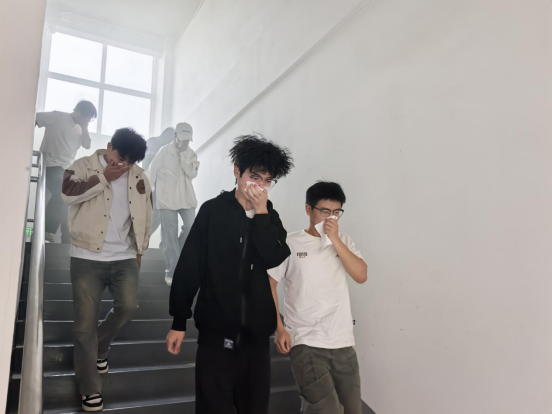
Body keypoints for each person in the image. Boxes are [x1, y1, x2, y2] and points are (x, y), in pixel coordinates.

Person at [166, 135, 294, 414]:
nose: (260, 186)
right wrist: (179, 321)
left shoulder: (270, 218)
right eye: (254, 177)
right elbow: (190, 266)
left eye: (267, 181)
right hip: (216, 337)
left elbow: (274, 258)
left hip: (256, 342)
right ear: (237, 171)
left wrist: (261, 213)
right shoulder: (213, 211)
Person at [62, 128, 152, 412]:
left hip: (124, 257)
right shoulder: (83, 165)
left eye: (130, 162)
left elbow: (147, 213)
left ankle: (100, 348)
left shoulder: (139, 176)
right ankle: (90, 389)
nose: (123, 165)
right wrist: (103, 178)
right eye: (120, 158)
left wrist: (140, 249)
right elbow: (67, 194)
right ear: (109, 146)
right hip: (86, 256)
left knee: (128, 307)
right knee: (84, 325)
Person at [267, 182, 368, 414]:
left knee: (353, 410)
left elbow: (361, 275)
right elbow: (269, 284)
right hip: (306, 341)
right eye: (324, 211)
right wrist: (279, 327)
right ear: (308, 210)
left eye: (336, 212)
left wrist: (335, 240)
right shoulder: (290, 242)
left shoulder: (344, 241)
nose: (330, 218)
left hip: (343, 342)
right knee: (325, 409)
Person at [36, 100, 97, 243]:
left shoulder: (81, 129)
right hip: (50, 164)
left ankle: (67, 241)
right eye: (87, 118)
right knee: (64, 193)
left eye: (90, 119)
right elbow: (35, 118)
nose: (87, 121)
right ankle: (46, 230)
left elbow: (87, 145)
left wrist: (84, 126)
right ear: (78, 112)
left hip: (66, 170)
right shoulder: (58, 116)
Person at [146, 122, 200, 286]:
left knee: (191, 227)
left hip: (186, 198)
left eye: (188, 140)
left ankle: (175, 251)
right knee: (169, 234)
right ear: (175, 136)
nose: (185, 142)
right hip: (166, 199)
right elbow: (150, 174)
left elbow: (192, 173)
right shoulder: (163, 152)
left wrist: (183, 154)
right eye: (182, 139)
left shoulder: (191, 154)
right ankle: (171, 272)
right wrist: (147, 196)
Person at [142, 127, 175, 240]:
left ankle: (145, 237)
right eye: (170, 139)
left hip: (161, 187)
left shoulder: (168, 149)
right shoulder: (152, 143)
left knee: (159, 214)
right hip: (150, 184)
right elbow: (146, 163)